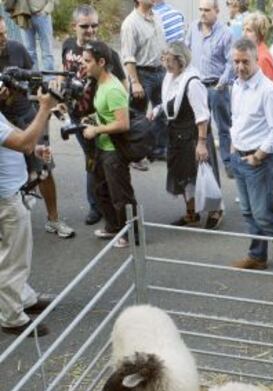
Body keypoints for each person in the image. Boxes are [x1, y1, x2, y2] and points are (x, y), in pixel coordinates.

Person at [0, 17, 75, 239]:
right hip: (3, 123)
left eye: (4, 33)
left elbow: (34, 79)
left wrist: (44, 109)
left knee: (44, 168)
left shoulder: (16, 48)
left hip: (27, 116)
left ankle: (53, 220)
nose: (4, 38)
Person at [0, 88, 58, 337]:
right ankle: (12, 317)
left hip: (11, 194)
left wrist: (34, 151)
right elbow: (23, 141)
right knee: (13, 260)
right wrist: (45, 108)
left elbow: (14, 142)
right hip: (6, 200)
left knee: (16, 254)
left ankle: (23, 298)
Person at [62, 4, 127, 226]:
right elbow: (66, 75)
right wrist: (61, 100)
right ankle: (100, 205)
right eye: (84, 26)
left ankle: (102, 207)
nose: (90, 30)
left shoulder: (106, 53)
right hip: (75, 115)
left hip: (97, 120)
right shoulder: (67, 46)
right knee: (93, 161)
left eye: (94, 26)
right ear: (74, 26)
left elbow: (123, 86)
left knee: (98, 161)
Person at [230, 37, 273, 271]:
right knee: (248, 212)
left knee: (264, 215)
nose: (240, 67)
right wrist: (233, 145)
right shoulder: (237, 85)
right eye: (236, 61)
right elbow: (237, 118)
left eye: (245, 61)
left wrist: (258, 156)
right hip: (240, 157)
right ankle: (257, 256)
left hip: (259, 161)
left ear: (256, 59)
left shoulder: (269, 91)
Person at [155, 41, 222, 228]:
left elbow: (202, 116)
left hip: (193, 137)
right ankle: (191, 213)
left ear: (181, 61)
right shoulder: (170, 78)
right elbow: (170, 102)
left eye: (170, 61)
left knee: (202, 176)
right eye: (164, 60)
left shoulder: (193, 83)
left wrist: (201, 143)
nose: (166, 65)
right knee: (184, 177)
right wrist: (158, 109)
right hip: (177, 135)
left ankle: (215, 210)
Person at [82, 41, 137, 248]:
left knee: (121, 196)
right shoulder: (100, 83)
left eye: (88, 61)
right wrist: (92, 119)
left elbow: (123, 124)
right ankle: (113, 227)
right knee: (101, 191)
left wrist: (96, 130)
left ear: (101, 62)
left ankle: (133, 234)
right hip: (102, 148)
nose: (84, 65)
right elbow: (105, 114)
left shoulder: (113, 88)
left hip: (114, 151)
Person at [186, 0, 234, 180]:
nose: (202, 13)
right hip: (198, 87)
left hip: (217, 87)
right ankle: (202, 160)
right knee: (200, 126)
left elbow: (231, 62)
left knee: (223, 127)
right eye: (200, 10)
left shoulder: (226, 33)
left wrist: (222, 82)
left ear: (217, 11)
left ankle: (228, 163)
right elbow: (186, 52)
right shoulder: (193, 28)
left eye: (207, 10)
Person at [121, 0, 167, 161]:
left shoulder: (158, 17)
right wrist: (134, 82)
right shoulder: (130, 23)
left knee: (162, 112)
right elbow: (128, 56)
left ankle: (157, 150)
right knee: (137, 116)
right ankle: (135, 154)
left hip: (160, 72)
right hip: (142, 74)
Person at [22, 0, 55, 71]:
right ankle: (35, 77)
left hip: (42, 16)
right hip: (26, 16)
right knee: (29, 51)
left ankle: (49, 78)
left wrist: (45, 12)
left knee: (47, 51)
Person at [243, 12, 273, 82]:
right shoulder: (253, 53)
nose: (244, 33)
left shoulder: (263, 58)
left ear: (259, 34)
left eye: (249, 30)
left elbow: (268, 89)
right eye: (243, 29)